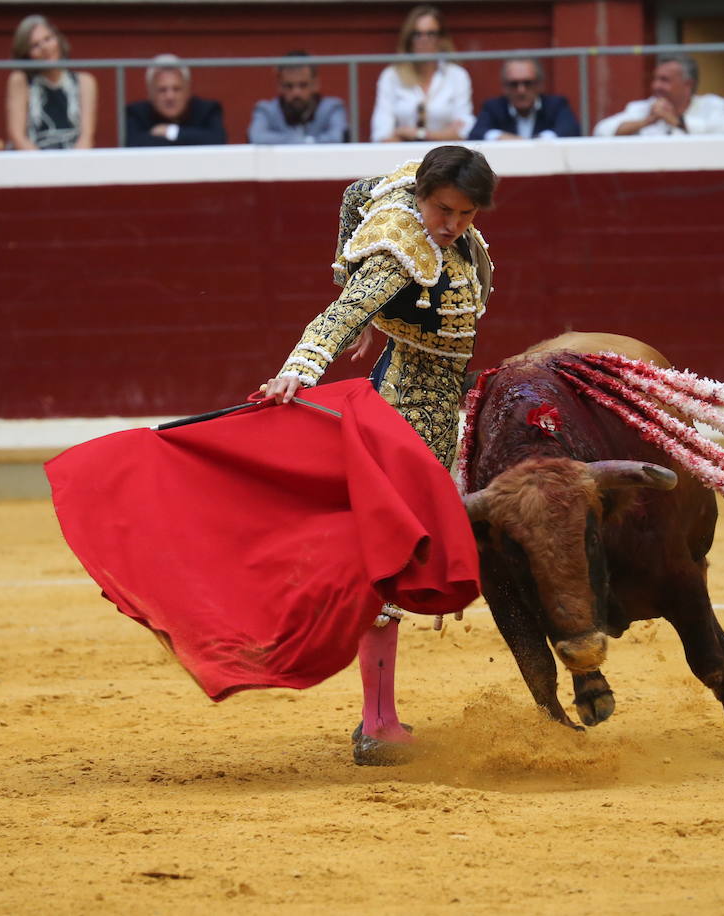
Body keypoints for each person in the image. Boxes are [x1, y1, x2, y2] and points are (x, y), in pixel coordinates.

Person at [260, 145, 497, 766]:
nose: (451, 226)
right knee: (392, 557)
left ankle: (381, 717)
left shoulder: (404, 200)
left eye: (466, 215)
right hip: (408, 405)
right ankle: (376, 723)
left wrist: (361, 298)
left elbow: (355, 191)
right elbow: (336, 318)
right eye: (443, 210)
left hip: (438, 393)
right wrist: (298, 373)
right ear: (422, 194)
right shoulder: (400, 251)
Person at [370, 5, 473, 143]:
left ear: (441, 38)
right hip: (401, 157)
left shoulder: (457, 75)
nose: (424, 40)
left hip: (446, 158)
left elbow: (464, 131)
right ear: (408, 39)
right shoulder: (391, 76)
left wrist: (414, 133)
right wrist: (443, 134)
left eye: (431, 34)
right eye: (417, 34)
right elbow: (381, 135)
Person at [5, 14, 97, 150]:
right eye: (35, 45)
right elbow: (17, 136)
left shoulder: (85, 81)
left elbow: (87, 136)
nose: (44, 48)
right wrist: (44, 166)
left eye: (48, 39)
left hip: (75, 162)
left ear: (58, 40)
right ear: (26, 54)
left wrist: (73, 166)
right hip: (33, 162)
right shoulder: (20, 80)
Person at [592, 53, 724, 137]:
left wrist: (676, 121)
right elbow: (601, 131)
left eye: (664, 80)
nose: (656, 86)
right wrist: (647, 121)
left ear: (688, 84)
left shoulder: (714, 105)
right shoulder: (644, 108)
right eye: (655, 79)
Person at [247, 50, 347, 144]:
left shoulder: (332, 108)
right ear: (279, 86)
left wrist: (298, 142)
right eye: (289, 86)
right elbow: (257, 137)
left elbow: (337, 137)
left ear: (315, 84)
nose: (296, 93)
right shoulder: (266, 110)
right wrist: (305, 141)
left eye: (303, 85)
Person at [125, 54, 226, 146]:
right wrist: (190, 139)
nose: (170, 97)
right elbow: (134, 144)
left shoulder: (207, 110)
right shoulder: (136, 113)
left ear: (188, 90)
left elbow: (217, 140)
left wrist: (171, 132)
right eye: (162, 90)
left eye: (176, 89)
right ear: (150, 93)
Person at [468, 58, 580, 140]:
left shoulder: (556, 105)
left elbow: (571, 130)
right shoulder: (493, 107)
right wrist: (500, 137)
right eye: (514, 84)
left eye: (528, 83)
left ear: (540, 85)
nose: (521, 90)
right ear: (504, 87)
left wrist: (539, 140)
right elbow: (476, 133)